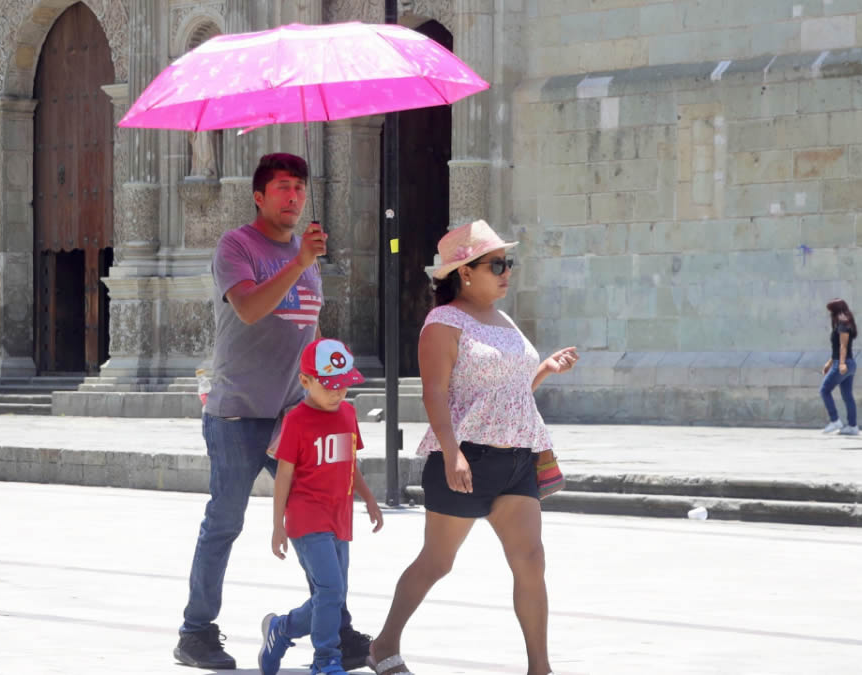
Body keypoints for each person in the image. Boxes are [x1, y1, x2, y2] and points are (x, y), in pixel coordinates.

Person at [175, 153, 372, 670]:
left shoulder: (305, 257)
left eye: (300, 189)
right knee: (225, 521)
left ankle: (338, 627)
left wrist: (330, 390)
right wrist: (300, 263)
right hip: (238, 414)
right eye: (283, 187)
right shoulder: (236, 247)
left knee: (317, 520)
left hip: (294, 414)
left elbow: (310, 332)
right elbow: (249, 307)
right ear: (259, 196)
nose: (294, 197)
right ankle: (195, 632)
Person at [367, 220, 578, 675]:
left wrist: (542, 369)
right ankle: (383, 643)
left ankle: (540, 668)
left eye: (508, 263)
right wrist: (452, 450)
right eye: (497, 264)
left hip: (519, 456)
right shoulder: (443, 323)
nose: (507, 272)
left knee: (531, 561)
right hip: (468, 458)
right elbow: (435, 393)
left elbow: (509, 388)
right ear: (464, 271)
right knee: (437, 562)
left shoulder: (502, 318)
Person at [260, 338, 383, 675]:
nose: (338, 393)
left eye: (344, 384)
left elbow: (350, 462)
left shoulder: (348, 413)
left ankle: (282, 629)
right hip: (305, 517)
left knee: (332, 596)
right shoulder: (297, 421)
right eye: (329, 385)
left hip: (339, 517)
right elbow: (283, 475)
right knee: (331, 589)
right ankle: (326, 659)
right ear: (305, 381)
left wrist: (370, 499)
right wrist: (277, 525)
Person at [820, 298, 859, 435]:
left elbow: (843, 346)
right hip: (849, 363)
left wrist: (841, 364)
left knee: (824, 390)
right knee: (847, 395)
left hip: (844, 363)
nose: (829, 314)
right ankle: (853, 426)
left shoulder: (842, 325)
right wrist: (829, 363)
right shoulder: (845, 323)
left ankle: (835, 420)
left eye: (831, 311)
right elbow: (837, 349)